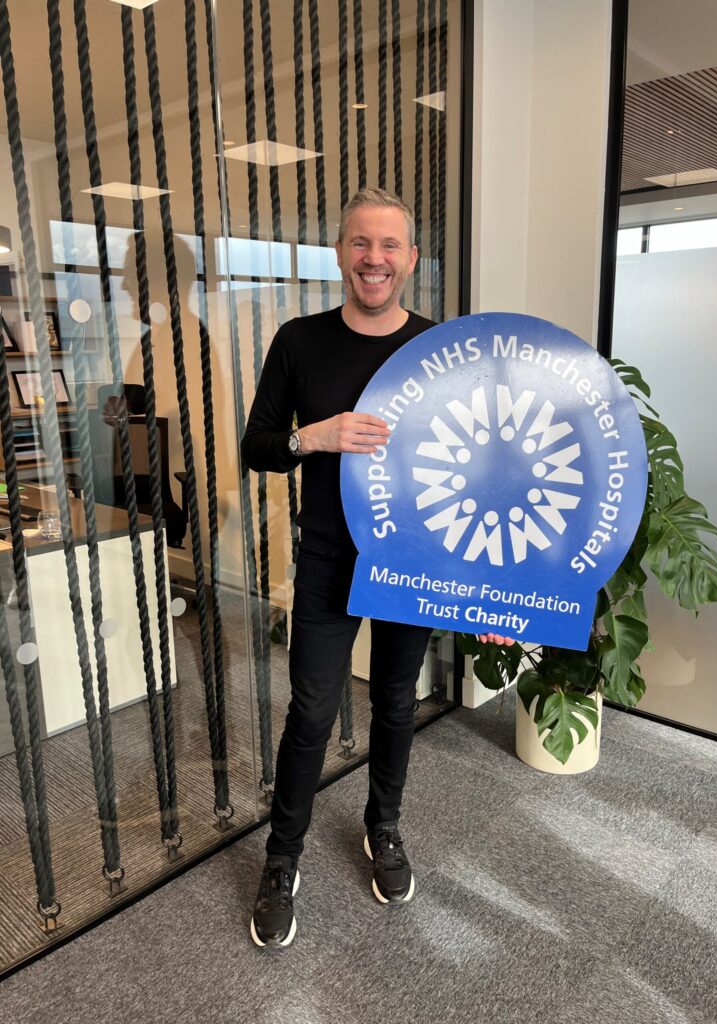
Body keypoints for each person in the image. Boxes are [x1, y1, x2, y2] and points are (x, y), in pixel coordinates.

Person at [241, 188, 436, 948]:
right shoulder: (299, 341)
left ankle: (382, 827)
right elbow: (259, 446)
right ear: (341, 253)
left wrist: (493, 596)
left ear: (411, 259)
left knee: (394, 704)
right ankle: (281, 858)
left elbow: (484, 470)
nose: (375, 259)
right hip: (326, 557)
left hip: (411, 562)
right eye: (362, 243)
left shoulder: (438, 348)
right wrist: (311, 438)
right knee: (314, 714)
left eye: (390, 246)